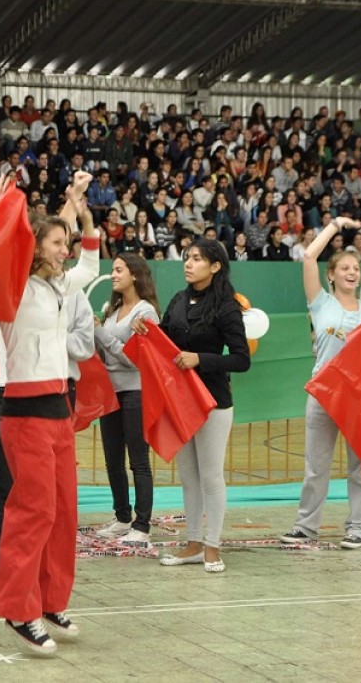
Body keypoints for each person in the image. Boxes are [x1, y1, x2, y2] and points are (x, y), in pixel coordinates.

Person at [0, 154, 96, 656]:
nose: (64, 250)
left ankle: (50, 599)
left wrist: (78, 207)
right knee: (33, 511)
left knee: (64, 512)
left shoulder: (59, 286)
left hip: (58, 410)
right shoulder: (12, 287)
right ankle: (17, 607)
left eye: (65, 244)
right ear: (34, 248)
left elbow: (89, 261)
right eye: (55, 244)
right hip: (22, 413)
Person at [139, 239, 251, 572]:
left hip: (214, 403)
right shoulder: (177, 300)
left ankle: (213, 546)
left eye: (197, 259)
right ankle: (193, 543)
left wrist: (200, 359)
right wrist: (147, 330)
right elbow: (166, 339)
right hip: (180, 402)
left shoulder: (227, 307)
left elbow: (242, 360)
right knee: (188, 476)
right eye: (187, 258)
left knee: (211, 477)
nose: (188, 263)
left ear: (215, 267)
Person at [280, 216, 361, 549]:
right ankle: (306, 526)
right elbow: (308, 255)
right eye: (344, 268)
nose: (351, 272)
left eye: (356, 268)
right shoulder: (320, 303)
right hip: (324, 395)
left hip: (359, 399)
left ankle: (359, 529)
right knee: (316, 467)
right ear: (331, 275)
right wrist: (336, 224)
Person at [93, 252, 159, 546]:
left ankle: (142, 524)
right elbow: (108, 352)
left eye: (119, 269)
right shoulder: (112, 310)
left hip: (135, 391)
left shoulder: (146, 313)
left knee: (138, 460)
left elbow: (136, 361)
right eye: (112, 269)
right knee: (113, 461)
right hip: (110, 393)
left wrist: (102, 335)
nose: (113, 274)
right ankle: (122, 518)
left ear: (135, 274)